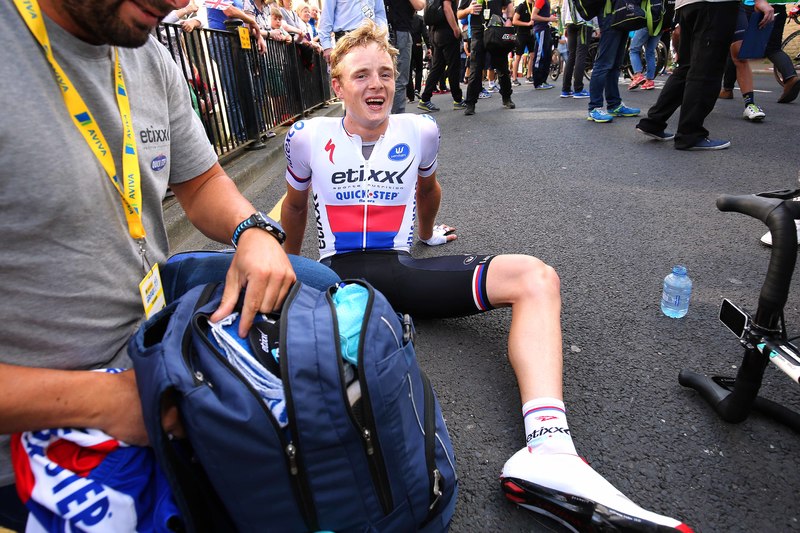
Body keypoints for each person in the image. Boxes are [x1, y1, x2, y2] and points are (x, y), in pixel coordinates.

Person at [279, 20, 694, 533]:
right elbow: (294, 209)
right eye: (361, 75)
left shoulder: (421, 130)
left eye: (386, 72)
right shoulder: (308, 136)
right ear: (337, 85)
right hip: (335, 280)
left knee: (536, 277)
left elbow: (428, 190)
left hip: (400, 272)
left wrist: (427, 235)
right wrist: (289, 270)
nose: (377, 84)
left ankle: (549, 449)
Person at [0, 0, 339, 529]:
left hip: (153, 342)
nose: (181, 3)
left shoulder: (147, 54)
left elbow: (202, 182)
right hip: (47, 428)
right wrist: (106, 401)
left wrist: (254, 231)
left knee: (316, 290)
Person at [635, 0, 774, 149]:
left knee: (686, 67)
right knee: (706, 68)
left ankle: (653, 122)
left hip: (686, 5)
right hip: (715, 4)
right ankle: (690, 134)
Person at [719, 0, 800, 121]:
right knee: (772, 48)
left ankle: (729, 89)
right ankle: (790, 75)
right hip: (778, 6)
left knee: (738, 47)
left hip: (754, 6)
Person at [458, 0, 516, 115]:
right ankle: (470, 103)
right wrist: (468, 10)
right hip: (477, 31)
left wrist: (509, 19)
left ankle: (506, 97)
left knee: (502, 66)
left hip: (496, 29)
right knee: (475, 67)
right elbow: (459, 14)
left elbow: (509, 4)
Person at [585, 6, 641, 122]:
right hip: (610, 15)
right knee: (603, 64)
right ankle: (594, 107)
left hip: (621, 15)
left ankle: (614, 105)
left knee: (615, 65)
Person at [417, 0, 466, 112]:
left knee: (437, 67)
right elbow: (447, 8)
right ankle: (458, 100)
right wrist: (455, 28)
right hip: (447, 32)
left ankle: (425, 99)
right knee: (454, 66)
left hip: (434, 33)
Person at [385, 0, 425, 114]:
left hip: (385, 31)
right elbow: (419, 5)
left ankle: (385, 118)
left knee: (386, 78)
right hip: (400, 31)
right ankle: (397, 120)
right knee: (400, 80)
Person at [318, 0, 388, 63]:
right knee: (349, 73)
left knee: (370, 71)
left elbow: (380, 14)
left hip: (370, 36)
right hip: (346, 40)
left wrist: (383, 37)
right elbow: (326, 15)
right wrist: (327, 46)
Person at [560, 0, 592, 98]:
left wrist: (564, 25)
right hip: (584, 23)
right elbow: (592, 7)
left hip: (569, 23)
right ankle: (578, 89)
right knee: (581, 55)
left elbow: (563, 10)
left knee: (571, 56)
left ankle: (565, 89)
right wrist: (598, 26)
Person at [529, 0, 558, 89]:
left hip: (545, 29)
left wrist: (550, 17)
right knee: (540, 55)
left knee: (546, 56)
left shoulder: (546, 1)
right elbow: (533, 16)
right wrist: (549, 19)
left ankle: (543, 80)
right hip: (540, 29)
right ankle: (538, 82)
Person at [628, 26, 661, 91]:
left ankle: (638, 75)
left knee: (633, 50)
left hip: (646, 24)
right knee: (650, 52)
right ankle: (649, 81)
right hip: (659, 26)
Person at [406, 13, 430, 103]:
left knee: (408, 70)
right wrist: (429, 46)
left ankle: (410, 94)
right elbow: (425, 34)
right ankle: (417, 89)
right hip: (418, 44)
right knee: (419, 68)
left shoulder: (405, 17)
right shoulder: (420, 19)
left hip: (407, 45)